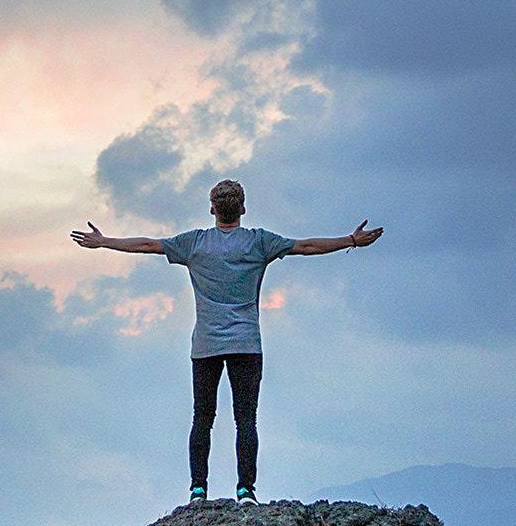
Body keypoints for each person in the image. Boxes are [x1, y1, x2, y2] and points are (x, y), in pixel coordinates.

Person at [73, 179, 382, 505]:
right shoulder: (260, 242)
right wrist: (351, 240)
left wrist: (104, 242)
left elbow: (147, 245)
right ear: (243, 208)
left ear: (212, 209)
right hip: (246, 343)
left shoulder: (194, 244)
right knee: (246, 419)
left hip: (206, 345)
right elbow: (306, 246)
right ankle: (246, 490)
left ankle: (197, 491)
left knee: (202, 418)